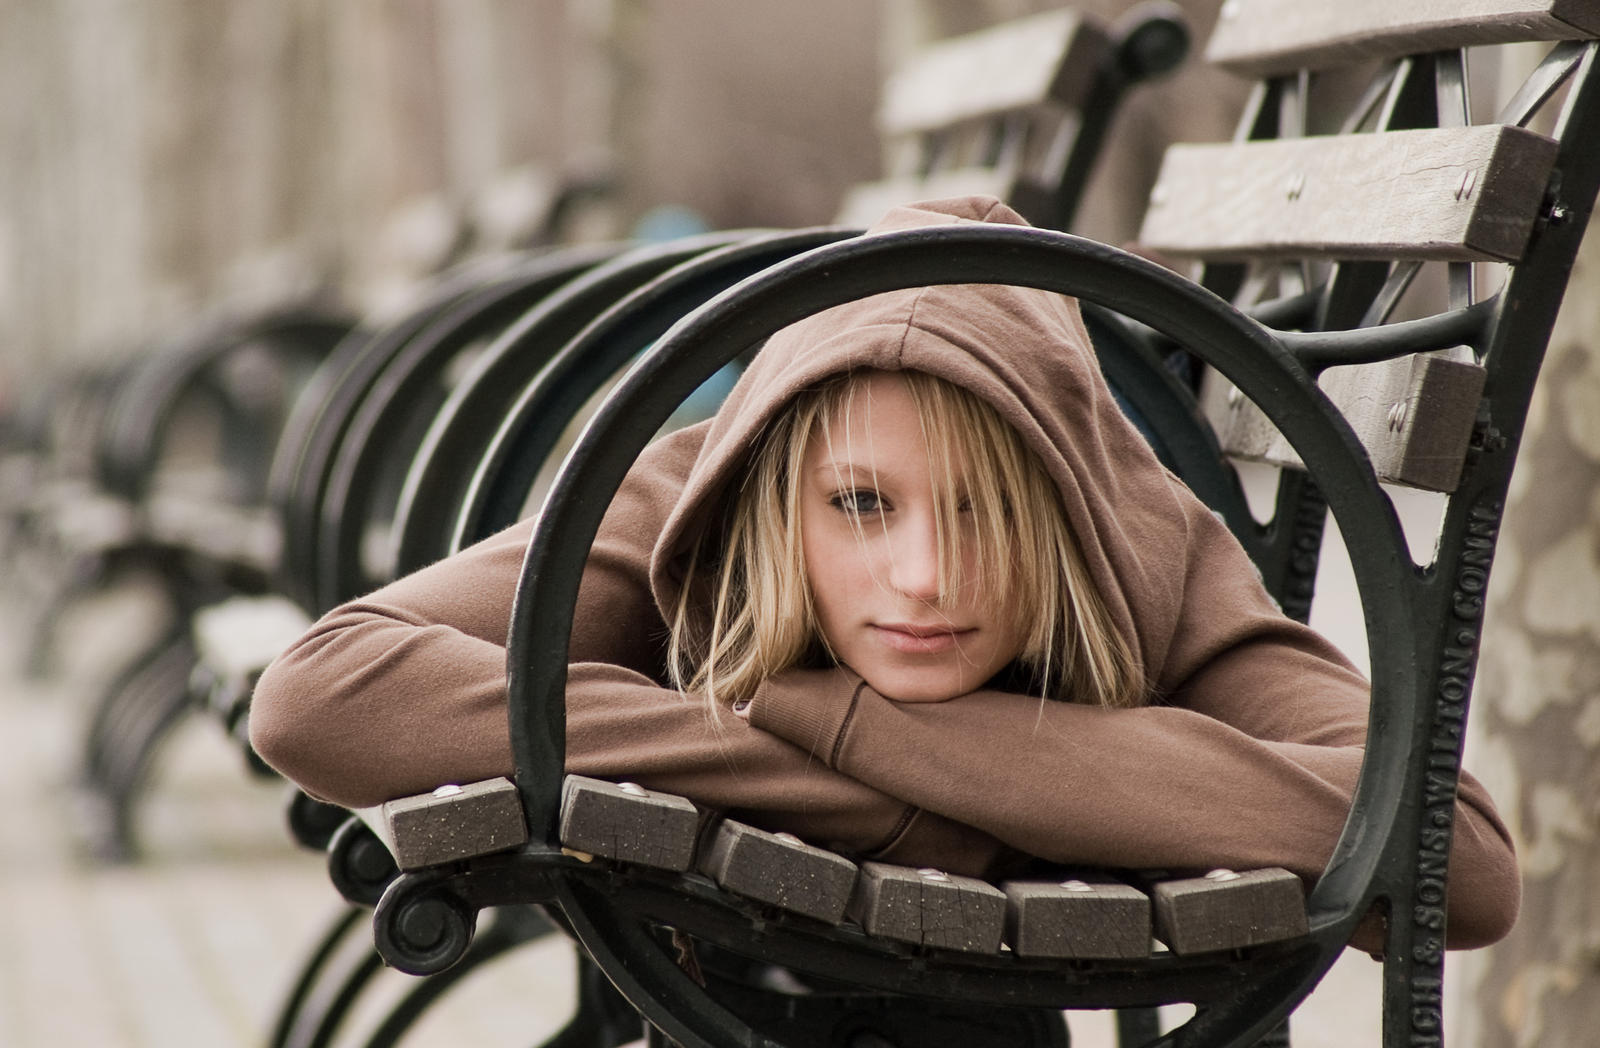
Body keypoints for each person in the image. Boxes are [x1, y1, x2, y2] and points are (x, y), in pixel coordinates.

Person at [250, 197, 1519, 950]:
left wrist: (813, 707)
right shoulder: (711, 495)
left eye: (984, 513)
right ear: (785, 485)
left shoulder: (1144, 545)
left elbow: (1452, 861)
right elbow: (321, 692)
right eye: (861, 505)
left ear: (1062, 503)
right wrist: (908, 802)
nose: (922, 575)